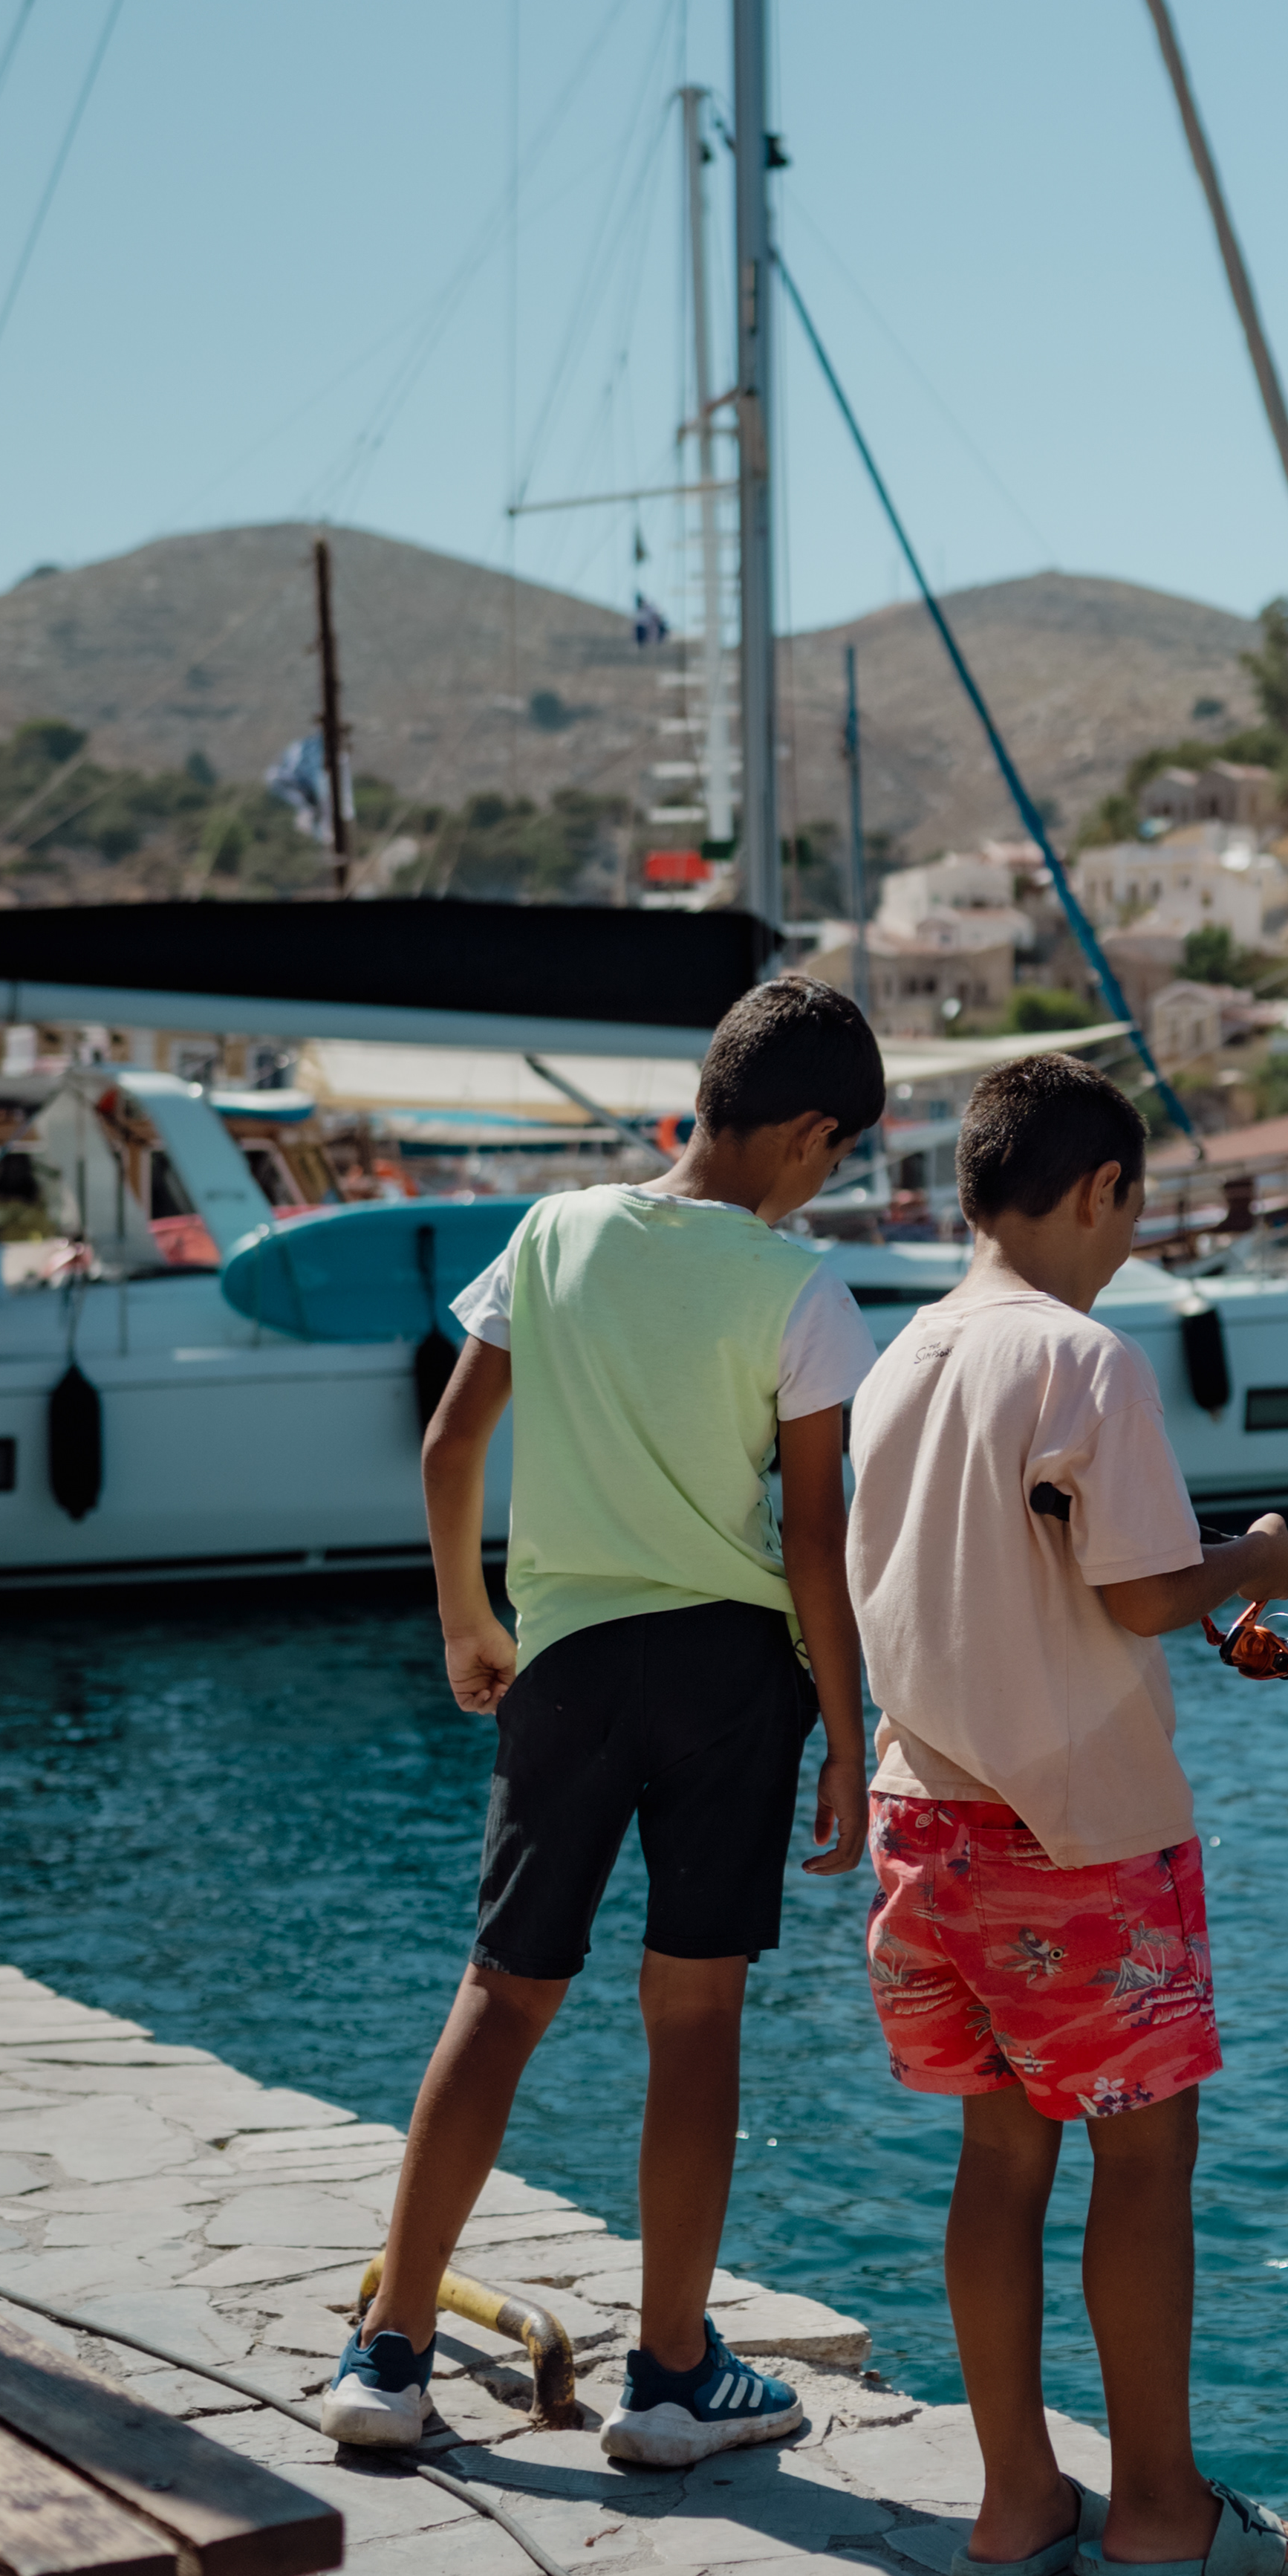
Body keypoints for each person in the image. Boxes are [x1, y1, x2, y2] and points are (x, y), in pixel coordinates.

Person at [324, 977, 884, 2465]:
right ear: (813, 1132)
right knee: (693, 2015)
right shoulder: (802, 1290)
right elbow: (816, 1542)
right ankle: (672, 2374)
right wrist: (849, 1728)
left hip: (564, 1664)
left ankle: (390, 2354)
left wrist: (466, 1616)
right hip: (728, 1675)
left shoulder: (555, 1229)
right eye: (837, 1154)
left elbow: (453, 1442)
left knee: (500, 1993)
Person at [848, 1048, 1288, 2576]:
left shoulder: (899, 1356)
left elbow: (1019, 1580)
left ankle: (1012, 2502)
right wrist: (1253, 1566)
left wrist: (1180, 1602)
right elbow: (1128, 1585)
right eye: (1135, 1206)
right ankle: (1159, 2511)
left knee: (998, 2158)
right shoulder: (1086, 1358)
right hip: (1081, 1845)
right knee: (1144, 2161)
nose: (1133, 1240)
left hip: (925, 1822)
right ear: (1099, 1187)